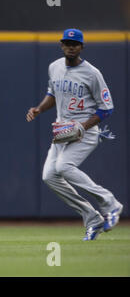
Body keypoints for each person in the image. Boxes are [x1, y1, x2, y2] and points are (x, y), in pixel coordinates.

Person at [26, 28, 123, 241]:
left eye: (75, 44)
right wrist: (40, 109)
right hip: (62, 132)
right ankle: (92, 218)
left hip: (86, 132)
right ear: (61, 45)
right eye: (67, 43)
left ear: (81, 47)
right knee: (49, 176)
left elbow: (106, 108)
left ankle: (110, 203)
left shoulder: (92, 73)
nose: (70, 47)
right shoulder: (54, 67)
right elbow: (52, 93)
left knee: (63, 167)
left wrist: (83, 127)